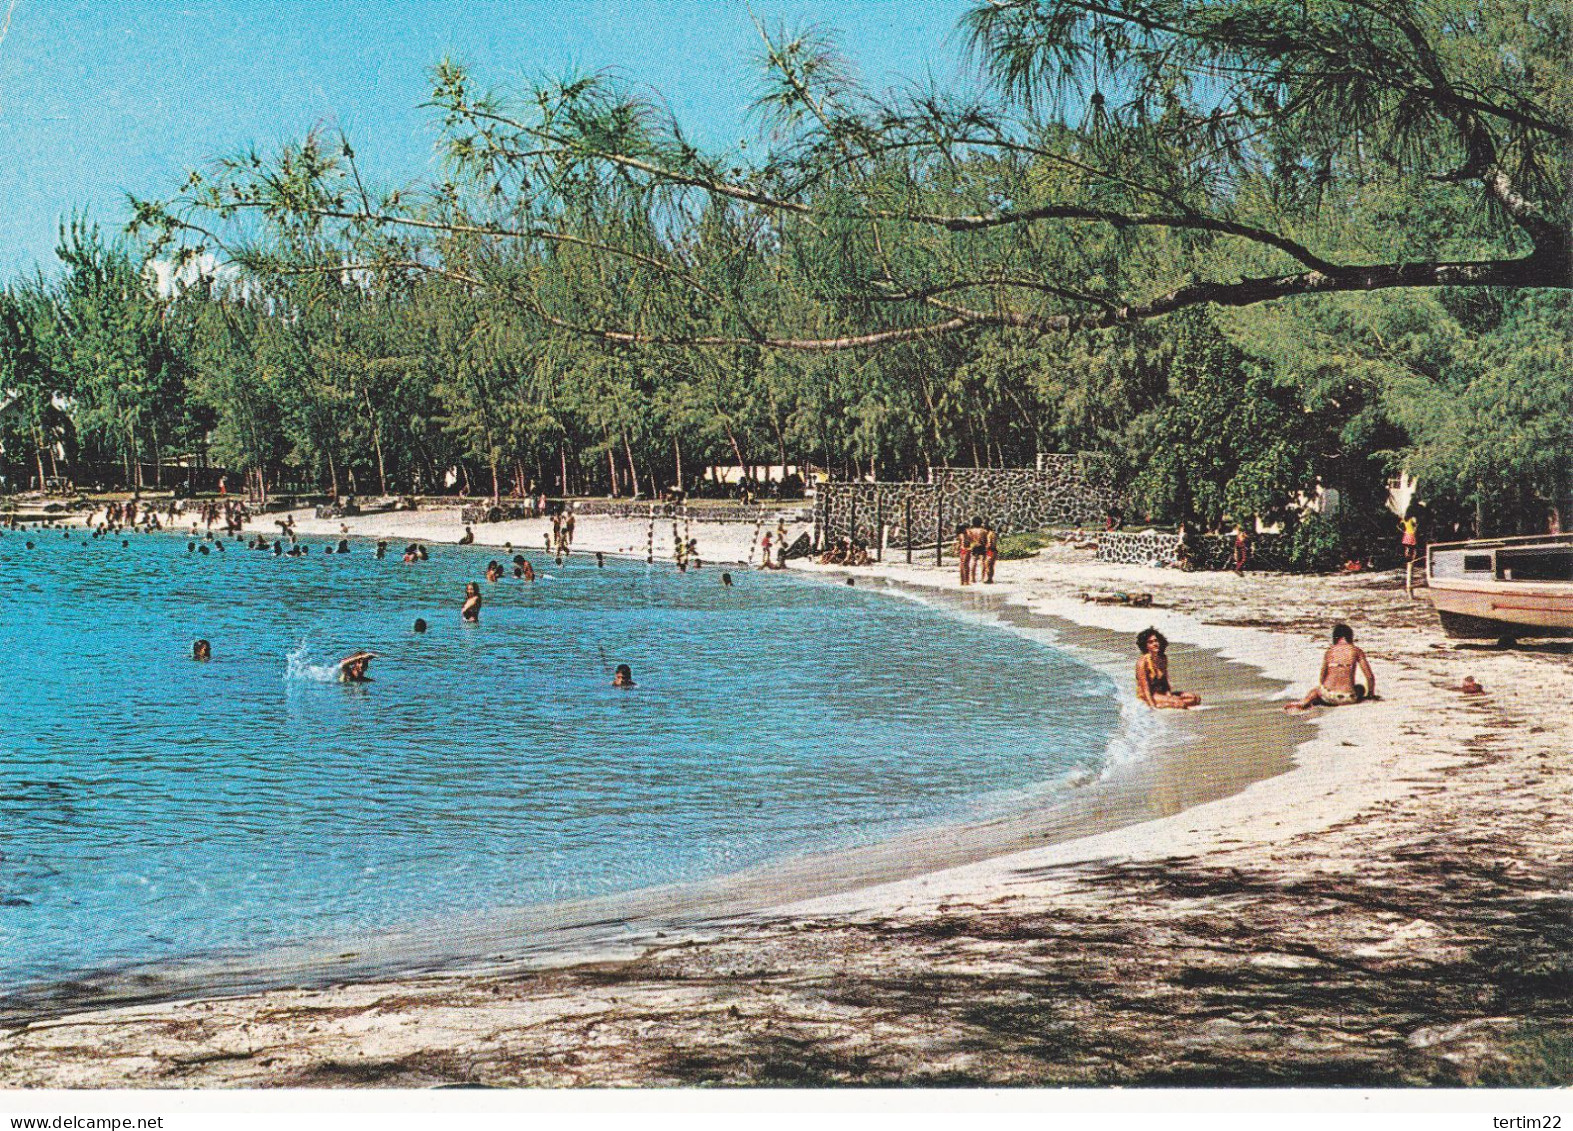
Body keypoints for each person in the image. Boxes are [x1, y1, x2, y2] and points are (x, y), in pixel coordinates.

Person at [1285, 624, 1377, 711]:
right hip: (1349, 698)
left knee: (1316, 690)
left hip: (1328, 697)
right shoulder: (1356, 651)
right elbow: (1369, 677)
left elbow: (1322, 679)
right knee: (1360, 688)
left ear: (1335, 637)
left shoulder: (1329, 652)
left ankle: (1304, 702)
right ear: (1350, 637)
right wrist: (1370, 695)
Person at [1135, 627, 1201, 710]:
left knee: (1195, 698)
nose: (1155, 644)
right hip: (1148, 695)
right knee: (1180, 703)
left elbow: (1164, 681)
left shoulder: (1162, 658)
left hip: (1160, 693)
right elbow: (1145, 688)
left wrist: (1169, 695)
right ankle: (1162, 705)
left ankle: (1166, 703)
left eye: (1156, 640)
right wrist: (1153, 706)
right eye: (1150, 642)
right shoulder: (1142, 663)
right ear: (1146, 646)